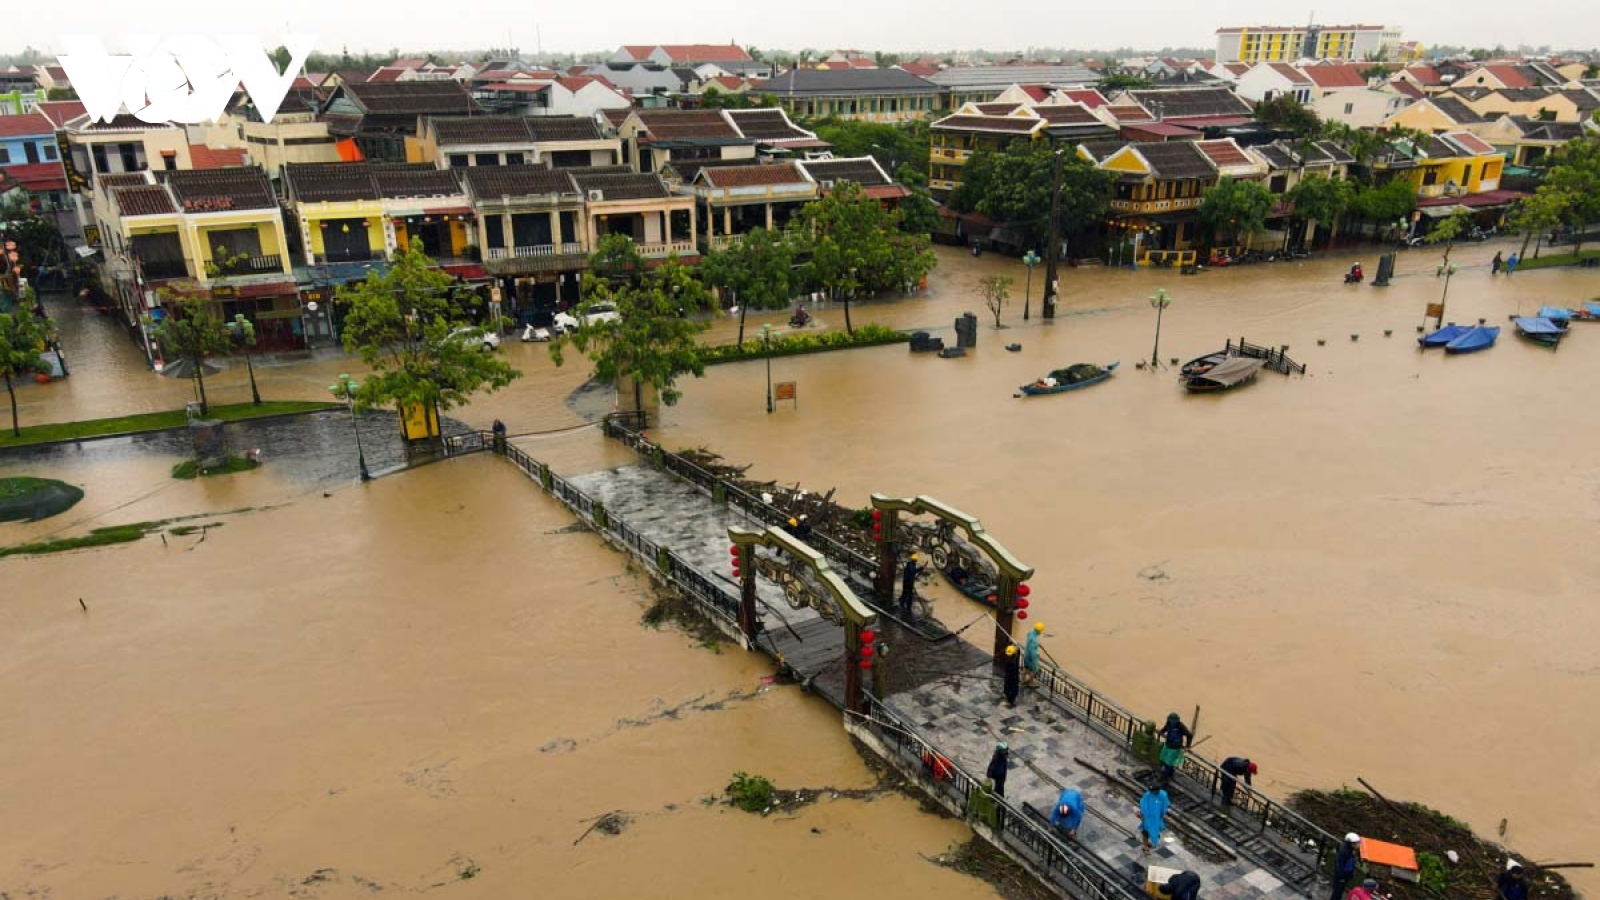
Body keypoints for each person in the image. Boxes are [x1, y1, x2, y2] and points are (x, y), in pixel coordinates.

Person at [1158, 712, 1193, 781]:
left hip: (1175, 748)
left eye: (1173, 721)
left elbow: (1189, 735)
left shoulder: (1180, 726)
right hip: (1167, 744)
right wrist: (1161, 732)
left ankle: (1165, 777)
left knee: (1169, 763)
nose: (1171, 723)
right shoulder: (1168, 723)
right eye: (1170, 721)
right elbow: (1165, 729)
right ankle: (1168, 773)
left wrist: (1187, 746)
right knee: (1162, 759)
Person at [1138, 783, 1170, 853]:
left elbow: (1165, 805)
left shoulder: (1163, 795)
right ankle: (1144, 845)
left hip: (1157, 817)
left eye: (1153, 791)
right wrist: (1142, 815)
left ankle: (1149, 843)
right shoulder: (1148, 795)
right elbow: (1143, 804)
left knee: (1155, 831)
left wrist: (1162, 815)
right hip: (1148, 817)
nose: (1151, 792)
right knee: (1146, 830)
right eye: (1150, 791)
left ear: (1157, 790)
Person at [1331, 833, 1362, 900]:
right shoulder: (1343, 852)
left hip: (1345, 877)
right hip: (1341, 878)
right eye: (1355, 843)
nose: (1357, 845)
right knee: (1337, 893)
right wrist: (1341, 877)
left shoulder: (1350, 850)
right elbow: (1339, 866)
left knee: (1339, 892)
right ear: (1350, 843)